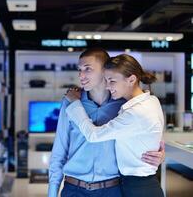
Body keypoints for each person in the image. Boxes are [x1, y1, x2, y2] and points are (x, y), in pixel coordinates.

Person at [48, 48, 165, 197]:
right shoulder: (70, 102)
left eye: (88, 69)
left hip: (112, 190)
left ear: (105, 70)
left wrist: (160, 154)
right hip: (73, 189)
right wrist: (52, 192)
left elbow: (146, 132)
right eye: (79, 70)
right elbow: (59, 152)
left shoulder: (124, 105)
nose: (81, 75)